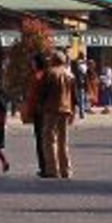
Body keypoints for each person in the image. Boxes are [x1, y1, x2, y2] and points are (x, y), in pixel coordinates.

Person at [39, 51, 76, 179]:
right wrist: (73, 111)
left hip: (51, 108)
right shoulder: (69, 74)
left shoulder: (50, 73)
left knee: (49, 140)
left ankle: (52, 169)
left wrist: (40, 106)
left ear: (54, 60)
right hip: (66, 109)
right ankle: (66, 169)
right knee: (63, 140)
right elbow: (74, 95)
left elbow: (43, 92)